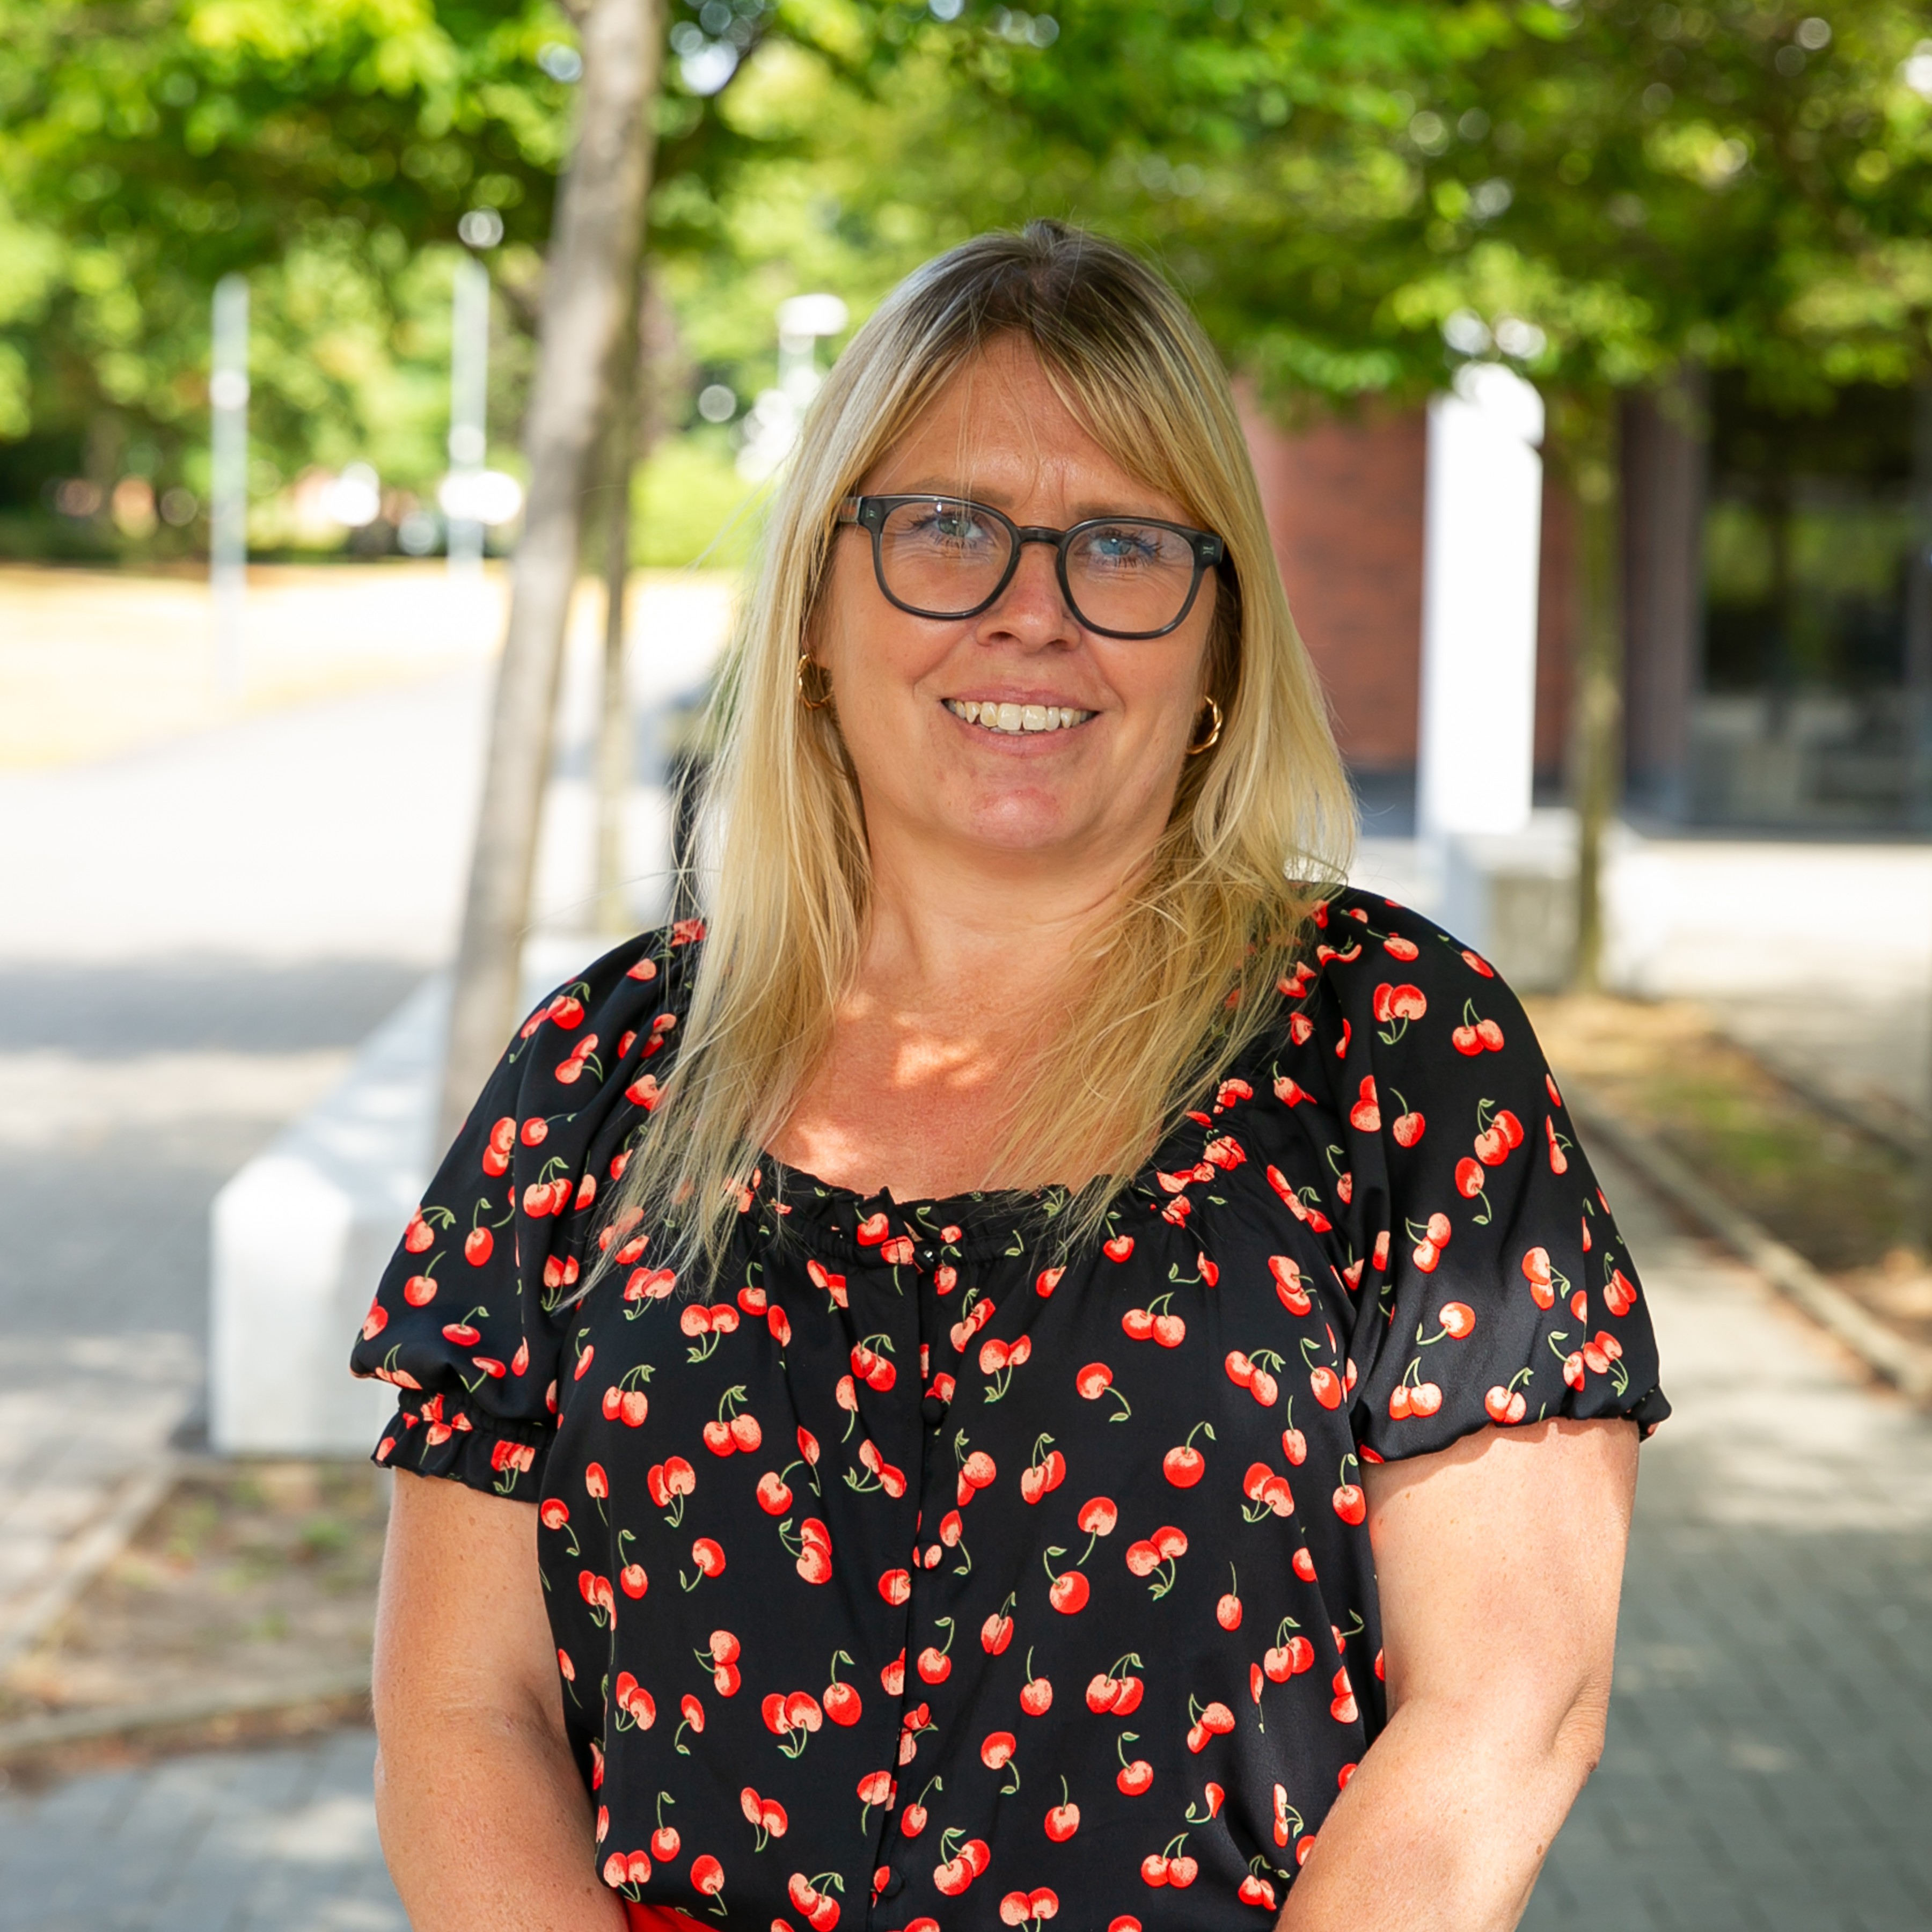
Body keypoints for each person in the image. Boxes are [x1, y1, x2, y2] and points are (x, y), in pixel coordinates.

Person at [354, 220, 1667, 1932]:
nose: (1031, 615)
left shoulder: (1396, 1052)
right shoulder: (602, 1074)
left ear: (1217, 640)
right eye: (949, 529)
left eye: (1123, 546)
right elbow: (463, 1716)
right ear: (815, 605)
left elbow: (1506, 1705)